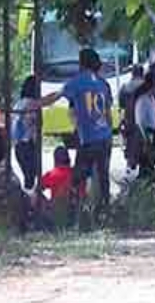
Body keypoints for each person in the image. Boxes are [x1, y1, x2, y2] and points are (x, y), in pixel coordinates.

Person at [40, 48, 114, 214]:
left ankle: (74, 212)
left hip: (88, 139)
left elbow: (56, 96)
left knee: (77, 178)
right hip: (105, 138)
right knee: (103, 178)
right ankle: (105, 212)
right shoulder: (103, 83)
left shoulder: (77, 82)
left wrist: (37, 104)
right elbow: (108, 115)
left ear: (81, 64)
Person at [12, 75, 42, 190]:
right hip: (28, 145)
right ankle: (28, 204)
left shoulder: (18, 103)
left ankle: (26, 202)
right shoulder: (33, 104)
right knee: (30, 179)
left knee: (27, 178)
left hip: (18, 146)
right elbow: (34, 126)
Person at [133, 69, 155, 177]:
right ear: (153, 84)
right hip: (147, 136)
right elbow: (140, 121)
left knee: (151, 165)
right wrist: (146, 140)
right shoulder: (143, 100)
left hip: (152, 135)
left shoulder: (151, 99)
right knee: (146, 166)